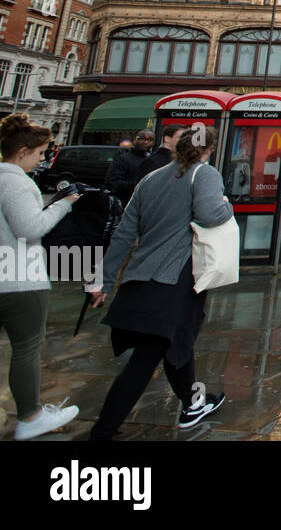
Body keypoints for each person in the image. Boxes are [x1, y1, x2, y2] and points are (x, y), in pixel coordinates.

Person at [88, 128, 231, 439]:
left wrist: (104, 280)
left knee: (176, 341)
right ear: (208, 150)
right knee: (146, 357)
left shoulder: (150, 179)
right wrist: (226, 204)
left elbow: (125, 233)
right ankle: (103, 430)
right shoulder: (204, 174)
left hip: (140, 276)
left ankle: (194, 402)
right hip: (174, 278)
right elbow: (210, 214)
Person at [0, 113, 81, 440]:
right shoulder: (16, 181)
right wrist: (63, 205)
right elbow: (30, 229)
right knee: (26, 348)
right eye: (38, 154)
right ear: (21, 152)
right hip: (19, 279)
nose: (41, 160)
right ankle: (31, 416)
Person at [103, 128, 154, 205]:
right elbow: (112, 182)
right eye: (142, 138)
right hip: (126, 201)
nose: (146, 142)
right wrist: (136, 185)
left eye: (150, 139)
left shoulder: (153, 159)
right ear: (134, 140)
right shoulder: (123, 159)